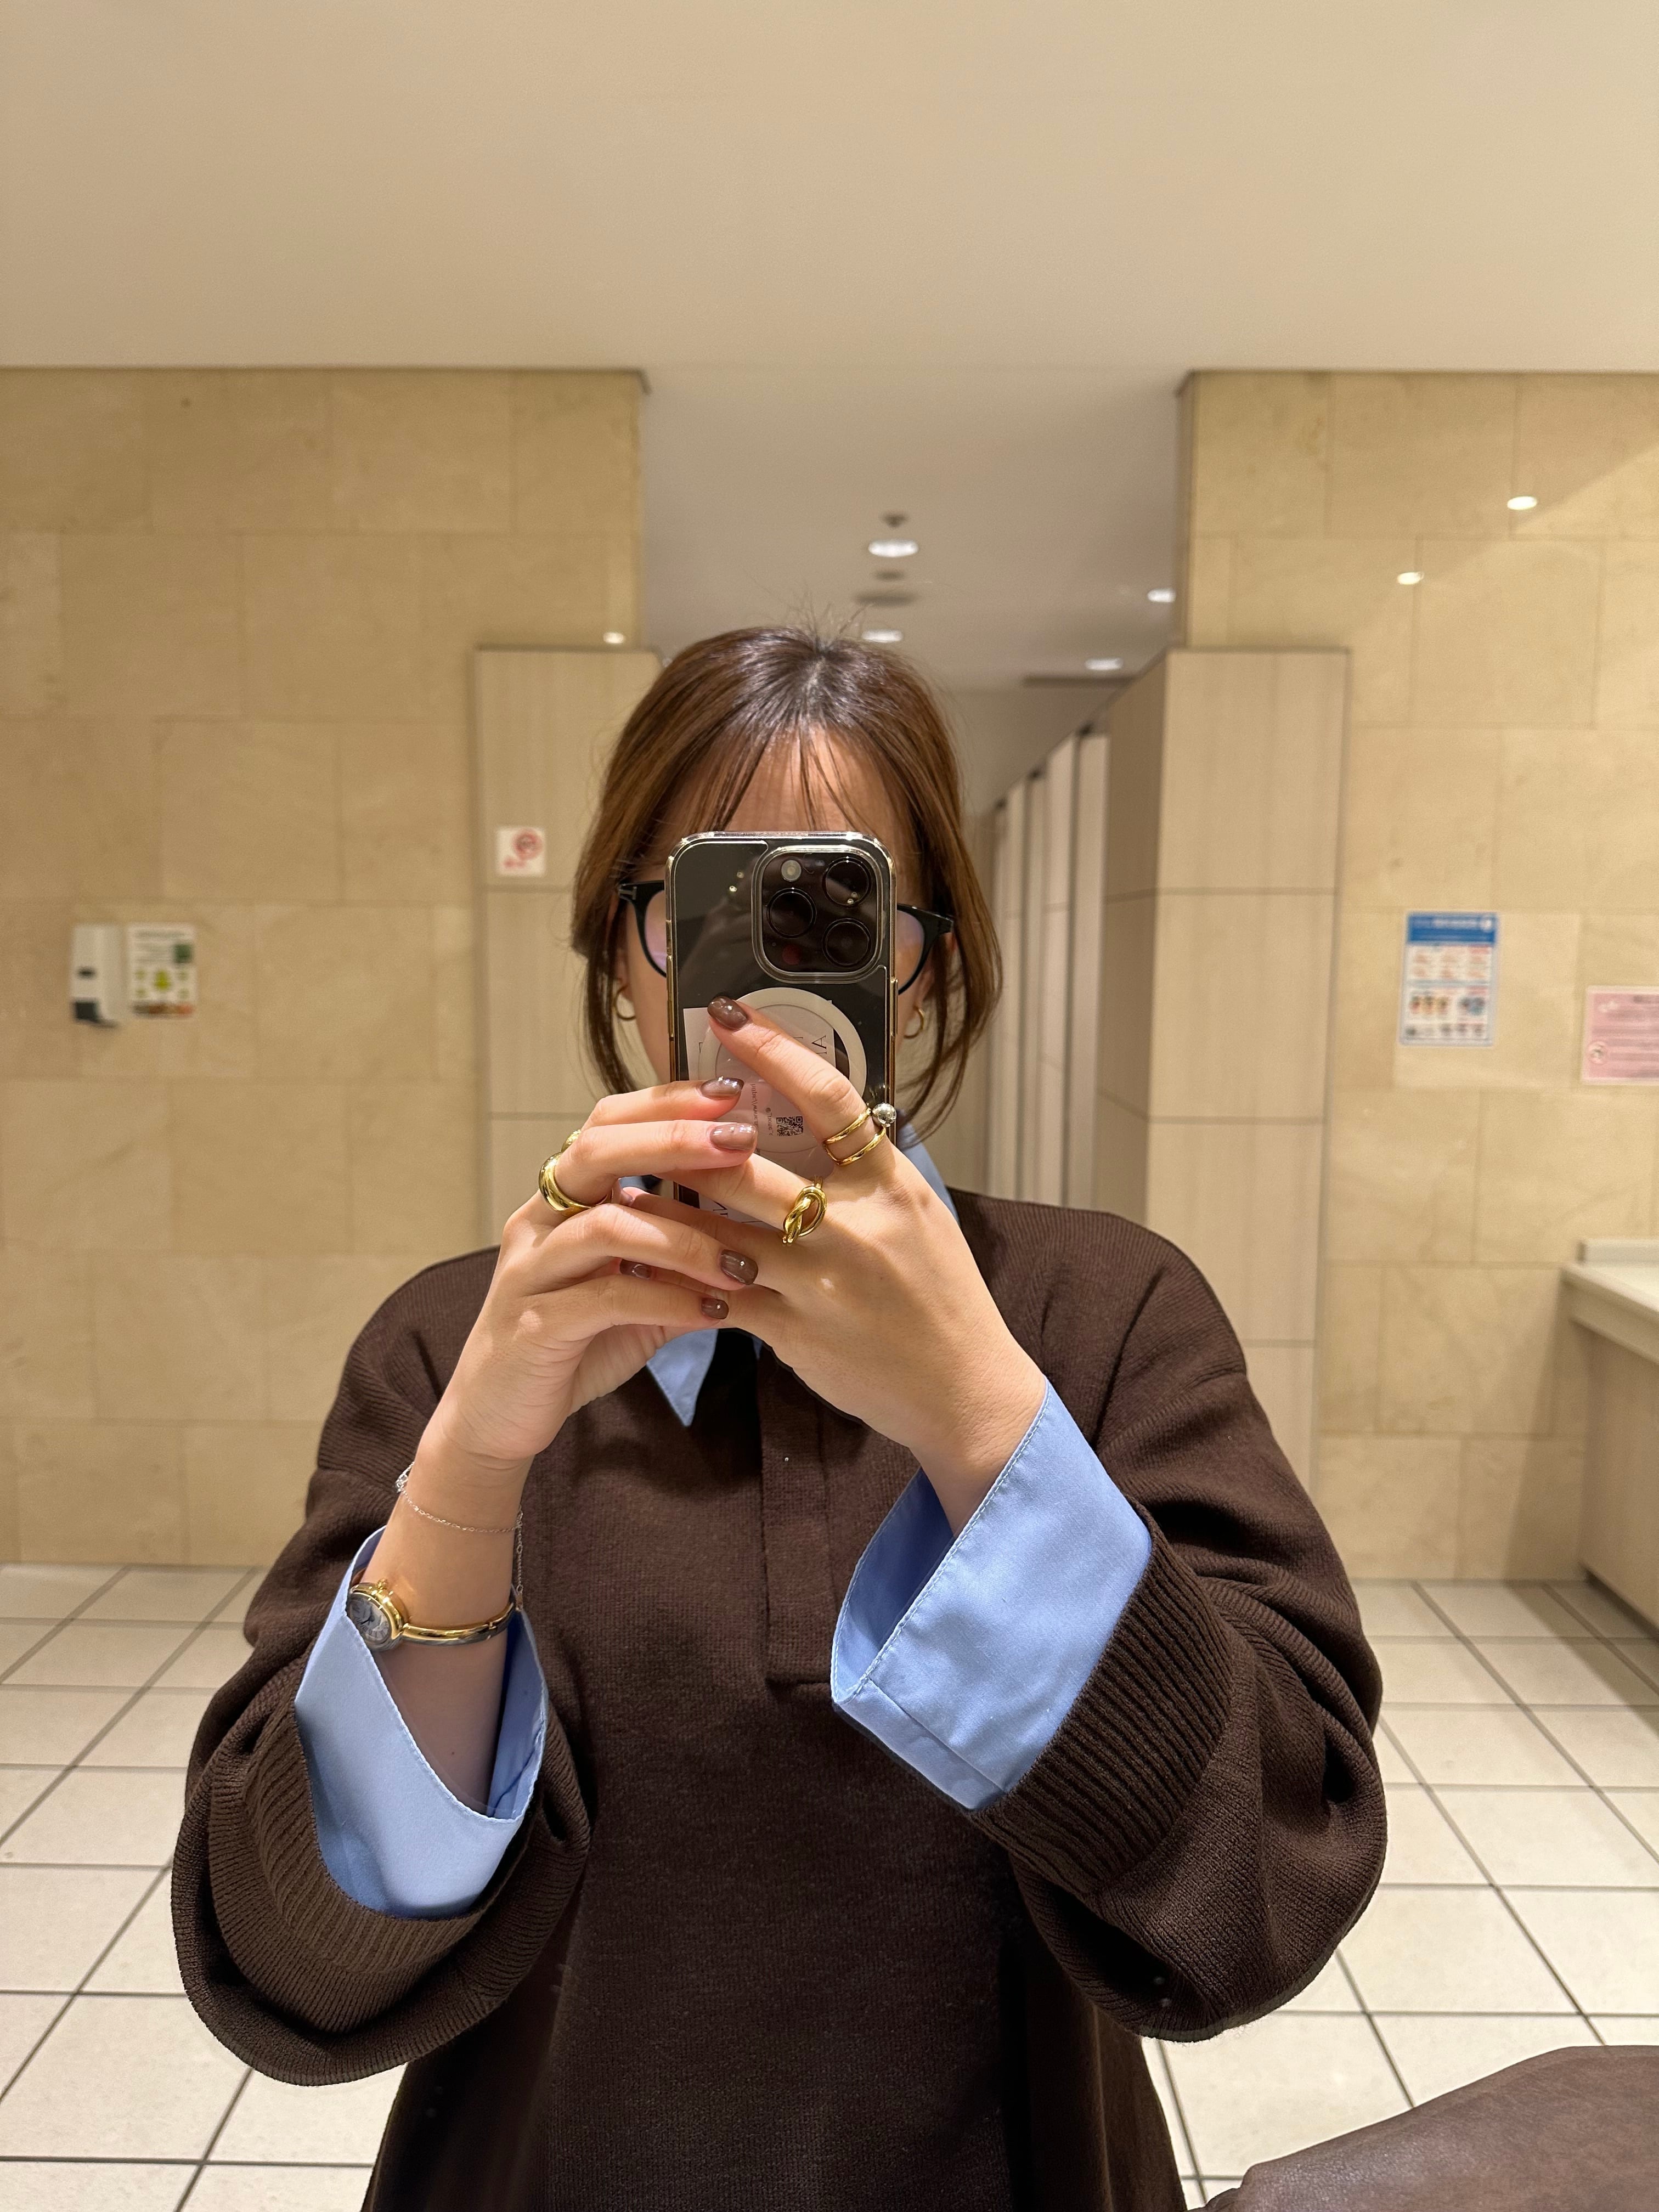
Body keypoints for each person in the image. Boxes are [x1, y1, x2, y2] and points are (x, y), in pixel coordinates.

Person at [174, 628, 1385, 2212]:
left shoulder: (1108, 1312)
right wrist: (470, 1466)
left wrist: (976, 1412)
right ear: (625, 956)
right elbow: (291, 1950)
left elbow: (1267, 1883)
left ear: (922, 967)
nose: (763, 990)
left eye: (834, 913)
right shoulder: (450, 1344)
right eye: (704, 911)